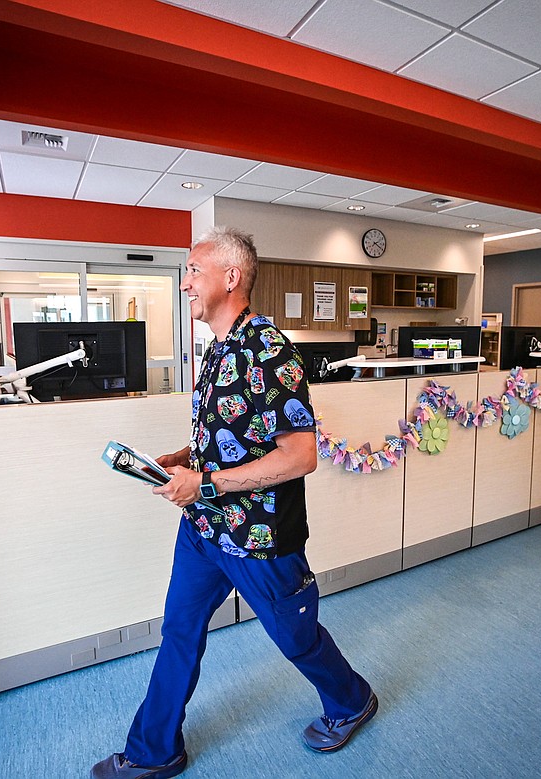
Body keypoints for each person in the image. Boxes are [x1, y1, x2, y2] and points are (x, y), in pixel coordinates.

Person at [91, 227, 376, 779]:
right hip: (204, 529)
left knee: (299, 640)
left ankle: (351, 701)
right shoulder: (216, 351)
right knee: (179, 633)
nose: (184, 284)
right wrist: (179, 460)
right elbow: (219, 439)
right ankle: (154, 751)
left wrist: (209, 484)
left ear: (231, 276)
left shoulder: (271, 351)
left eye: (193, 270)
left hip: (259, 538)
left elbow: (300, 456)